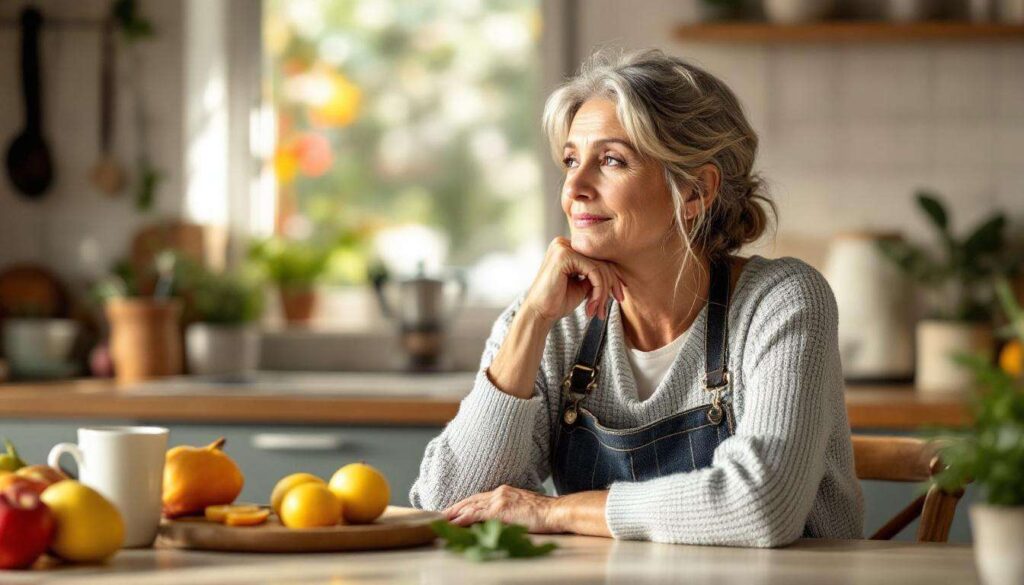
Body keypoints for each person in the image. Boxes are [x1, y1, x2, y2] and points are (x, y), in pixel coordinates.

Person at [409, 48, 863, 548]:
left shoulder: (781, 302)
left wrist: (558, 511)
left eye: (610, 160)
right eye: (570, 161)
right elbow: (445, 502)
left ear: (694, 191)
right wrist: (532, 321)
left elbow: (761, 507)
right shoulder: (554, 319)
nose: (574, 187)